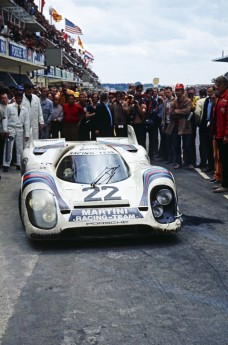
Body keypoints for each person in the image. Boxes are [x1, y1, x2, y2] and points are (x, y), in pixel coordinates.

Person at [2, 91, 30, 172]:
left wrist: (27, 133)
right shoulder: (9, 107)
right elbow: (5, 118)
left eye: (21, 98)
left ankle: (19, 163)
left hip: (20, 129)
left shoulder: (25, 109)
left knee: (19, 148)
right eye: (18, 98)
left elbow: (27, 122)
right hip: (10, 129)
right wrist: (5, 130)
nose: (19, 99)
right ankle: (6, 165)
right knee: (8, 147)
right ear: (15, 98)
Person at [167, 83, 193, 169]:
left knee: (187, 145)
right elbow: (171, 113)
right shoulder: (174, 101)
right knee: (176, 145)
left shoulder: (188, 101)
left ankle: (189, 162)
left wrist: (177, 111)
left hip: (185, 125)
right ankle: (178, 162)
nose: (177, 92)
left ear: (182, 91)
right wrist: (180, 112)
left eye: (179, 90)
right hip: (176, 125)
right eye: (176, 90)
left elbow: (187, 111)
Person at [212, 76, 228, 193]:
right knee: (222, 160)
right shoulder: (219, 98)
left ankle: (225, 184)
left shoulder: (226, 97)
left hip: (224, 136)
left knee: (226, 161)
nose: (216, 88)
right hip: (219, 134)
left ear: (224, 84)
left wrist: (226, 135)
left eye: (218, 85)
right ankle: (224, 182)